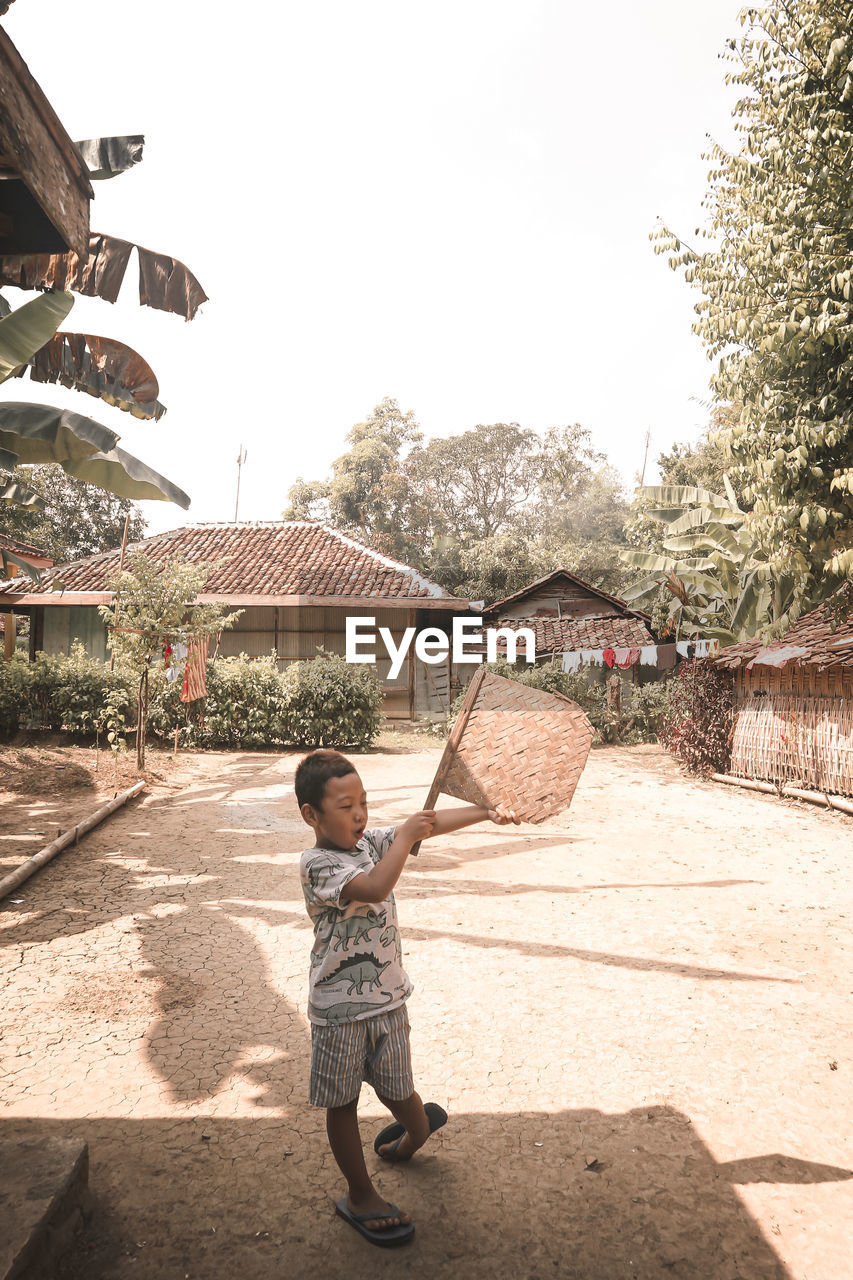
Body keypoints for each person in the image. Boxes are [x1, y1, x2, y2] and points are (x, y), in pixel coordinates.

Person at [296, 748, 519, 1248]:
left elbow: (428, 824)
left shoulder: (371, 842)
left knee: (399, 1088)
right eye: (346, 805)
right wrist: (404, 838)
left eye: (364, 803)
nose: (360, 814)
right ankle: (359, 1192)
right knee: (343, 1102)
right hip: (339, 1012)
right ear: (312, 814)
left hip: (390, 999)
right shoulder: (318, 863)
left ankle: (416, 1132)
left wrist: (485, 812)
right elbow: (374, 888)